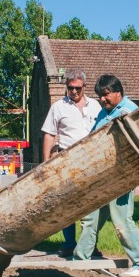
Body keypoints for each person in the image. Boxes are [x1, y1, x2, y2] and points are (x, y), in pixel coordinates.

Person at [73, 74, 139, 277]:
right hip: (102, 176)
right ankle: (80, 260)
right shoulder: (103, 113)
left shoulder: (128, 111)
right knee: (91, 217)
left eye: (106, 95)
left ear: (118, 92)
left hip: (121, 175)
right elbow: (93, 137)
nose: (102, 99)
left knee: (121, 220)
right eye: (100, 96)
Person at [41, 68, 102, 257]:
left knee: (91, 203)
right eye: (70, 88)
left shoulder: (96, 106)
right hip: (67, 159)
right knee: (67, 203)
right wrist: (46, 162)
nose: (74, 92)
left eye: (77, 88)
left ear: (84, 86)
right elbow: (49, 134)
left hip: (91, 159)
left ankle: (88, 245)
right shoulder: (58, 107)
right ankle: (69, 243)